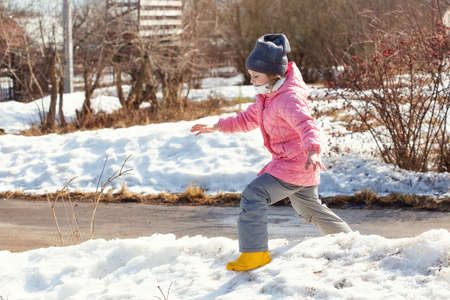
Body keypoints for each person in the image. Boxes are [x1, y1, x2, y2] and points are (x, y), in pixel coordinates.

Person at [191, 33, 351, 271]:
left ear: (274, 74)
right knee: (310, 209)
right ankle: (351, 243)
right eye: (250, 76)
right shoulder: (268, 97)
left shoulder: (288, 99)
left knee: (254, 195)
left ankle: (254, 253)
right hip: (298, 166)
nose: (252, 81)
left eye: (256, 76)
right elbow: (246, 119)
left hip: (295, 163)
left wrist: (314, 150)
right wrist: (217, 126)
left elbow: (307, 126)